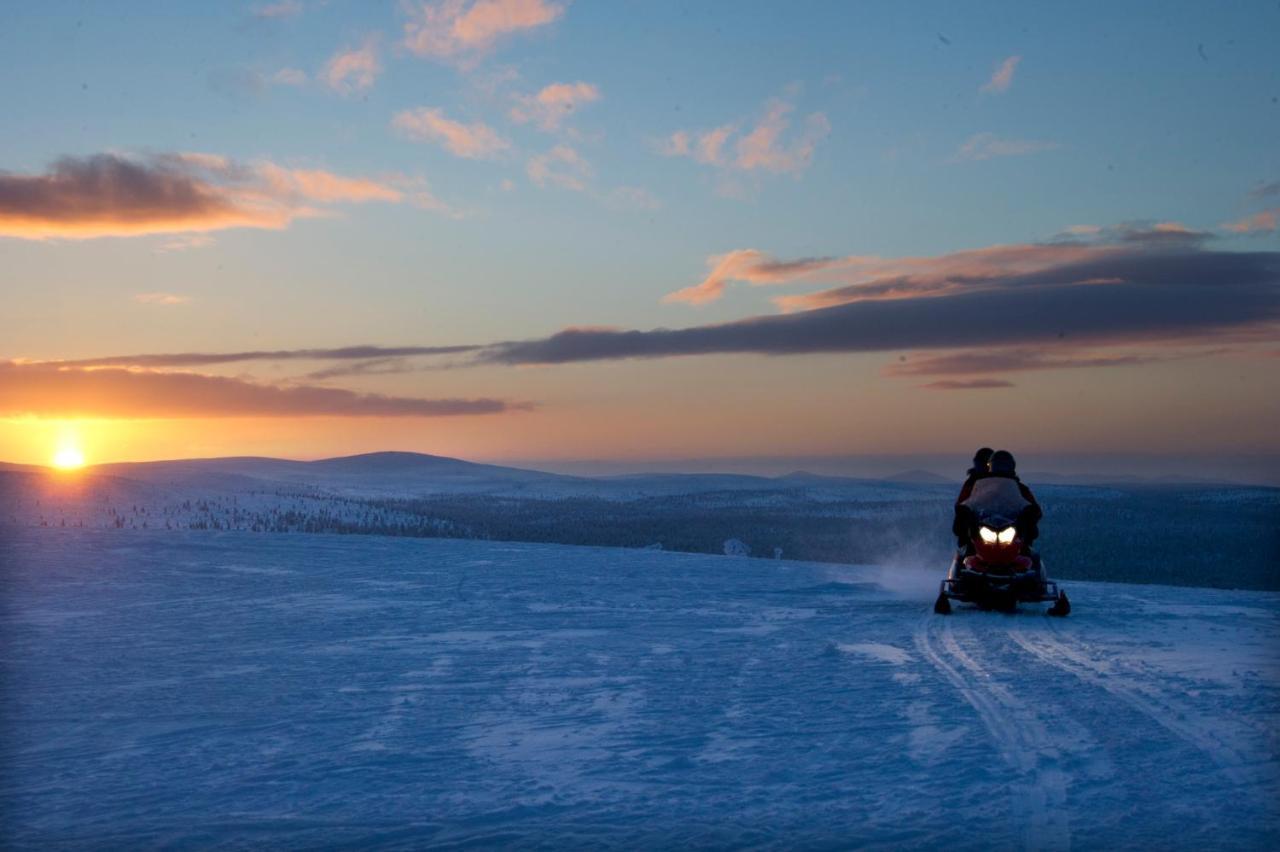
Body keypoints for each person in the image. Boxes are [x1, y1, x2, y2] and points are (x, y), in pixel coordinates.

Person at [952, 447, 993, 549]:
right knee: (967, 546)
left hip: (1003, 520)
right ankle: (963, 558)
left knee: (1024, 545)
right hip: (978, 521)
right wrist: (964, 511)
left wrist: (1029, 510)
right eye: (980, 464)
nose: (984, 468)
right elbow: (961, 502)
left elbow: (1016, 499)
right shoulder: (971, 482)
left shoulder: (1004, 482)